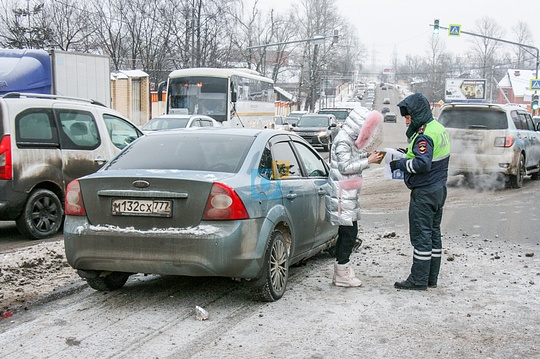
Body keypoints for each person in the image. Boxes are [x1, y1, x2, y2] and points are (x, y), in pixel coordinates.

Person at [389, 93, 451, 290]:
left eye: (409, 117)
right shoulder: (438, 128)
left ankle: (418, 280)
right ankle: (430, 278)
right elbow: (431, 158)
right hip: (438, 189)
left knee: (421, 235)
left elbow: (422, 164)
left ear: (418, 114)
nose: (407, 121)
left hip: (424, 192)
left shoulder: (424, 135)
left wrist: (400, 163)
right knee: (433, 234)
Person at [326, 108, 384, 287]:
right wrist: (369, 161)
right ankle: (342, 273)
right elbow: (345, 167)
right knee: (348, 235)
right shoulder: (343, 141)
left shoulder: (346, 139)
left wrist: (365, 156)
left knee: (348, 234)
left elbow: (350, 159)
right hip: (342, 195)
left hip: (346, 194)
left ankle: (341, 271)